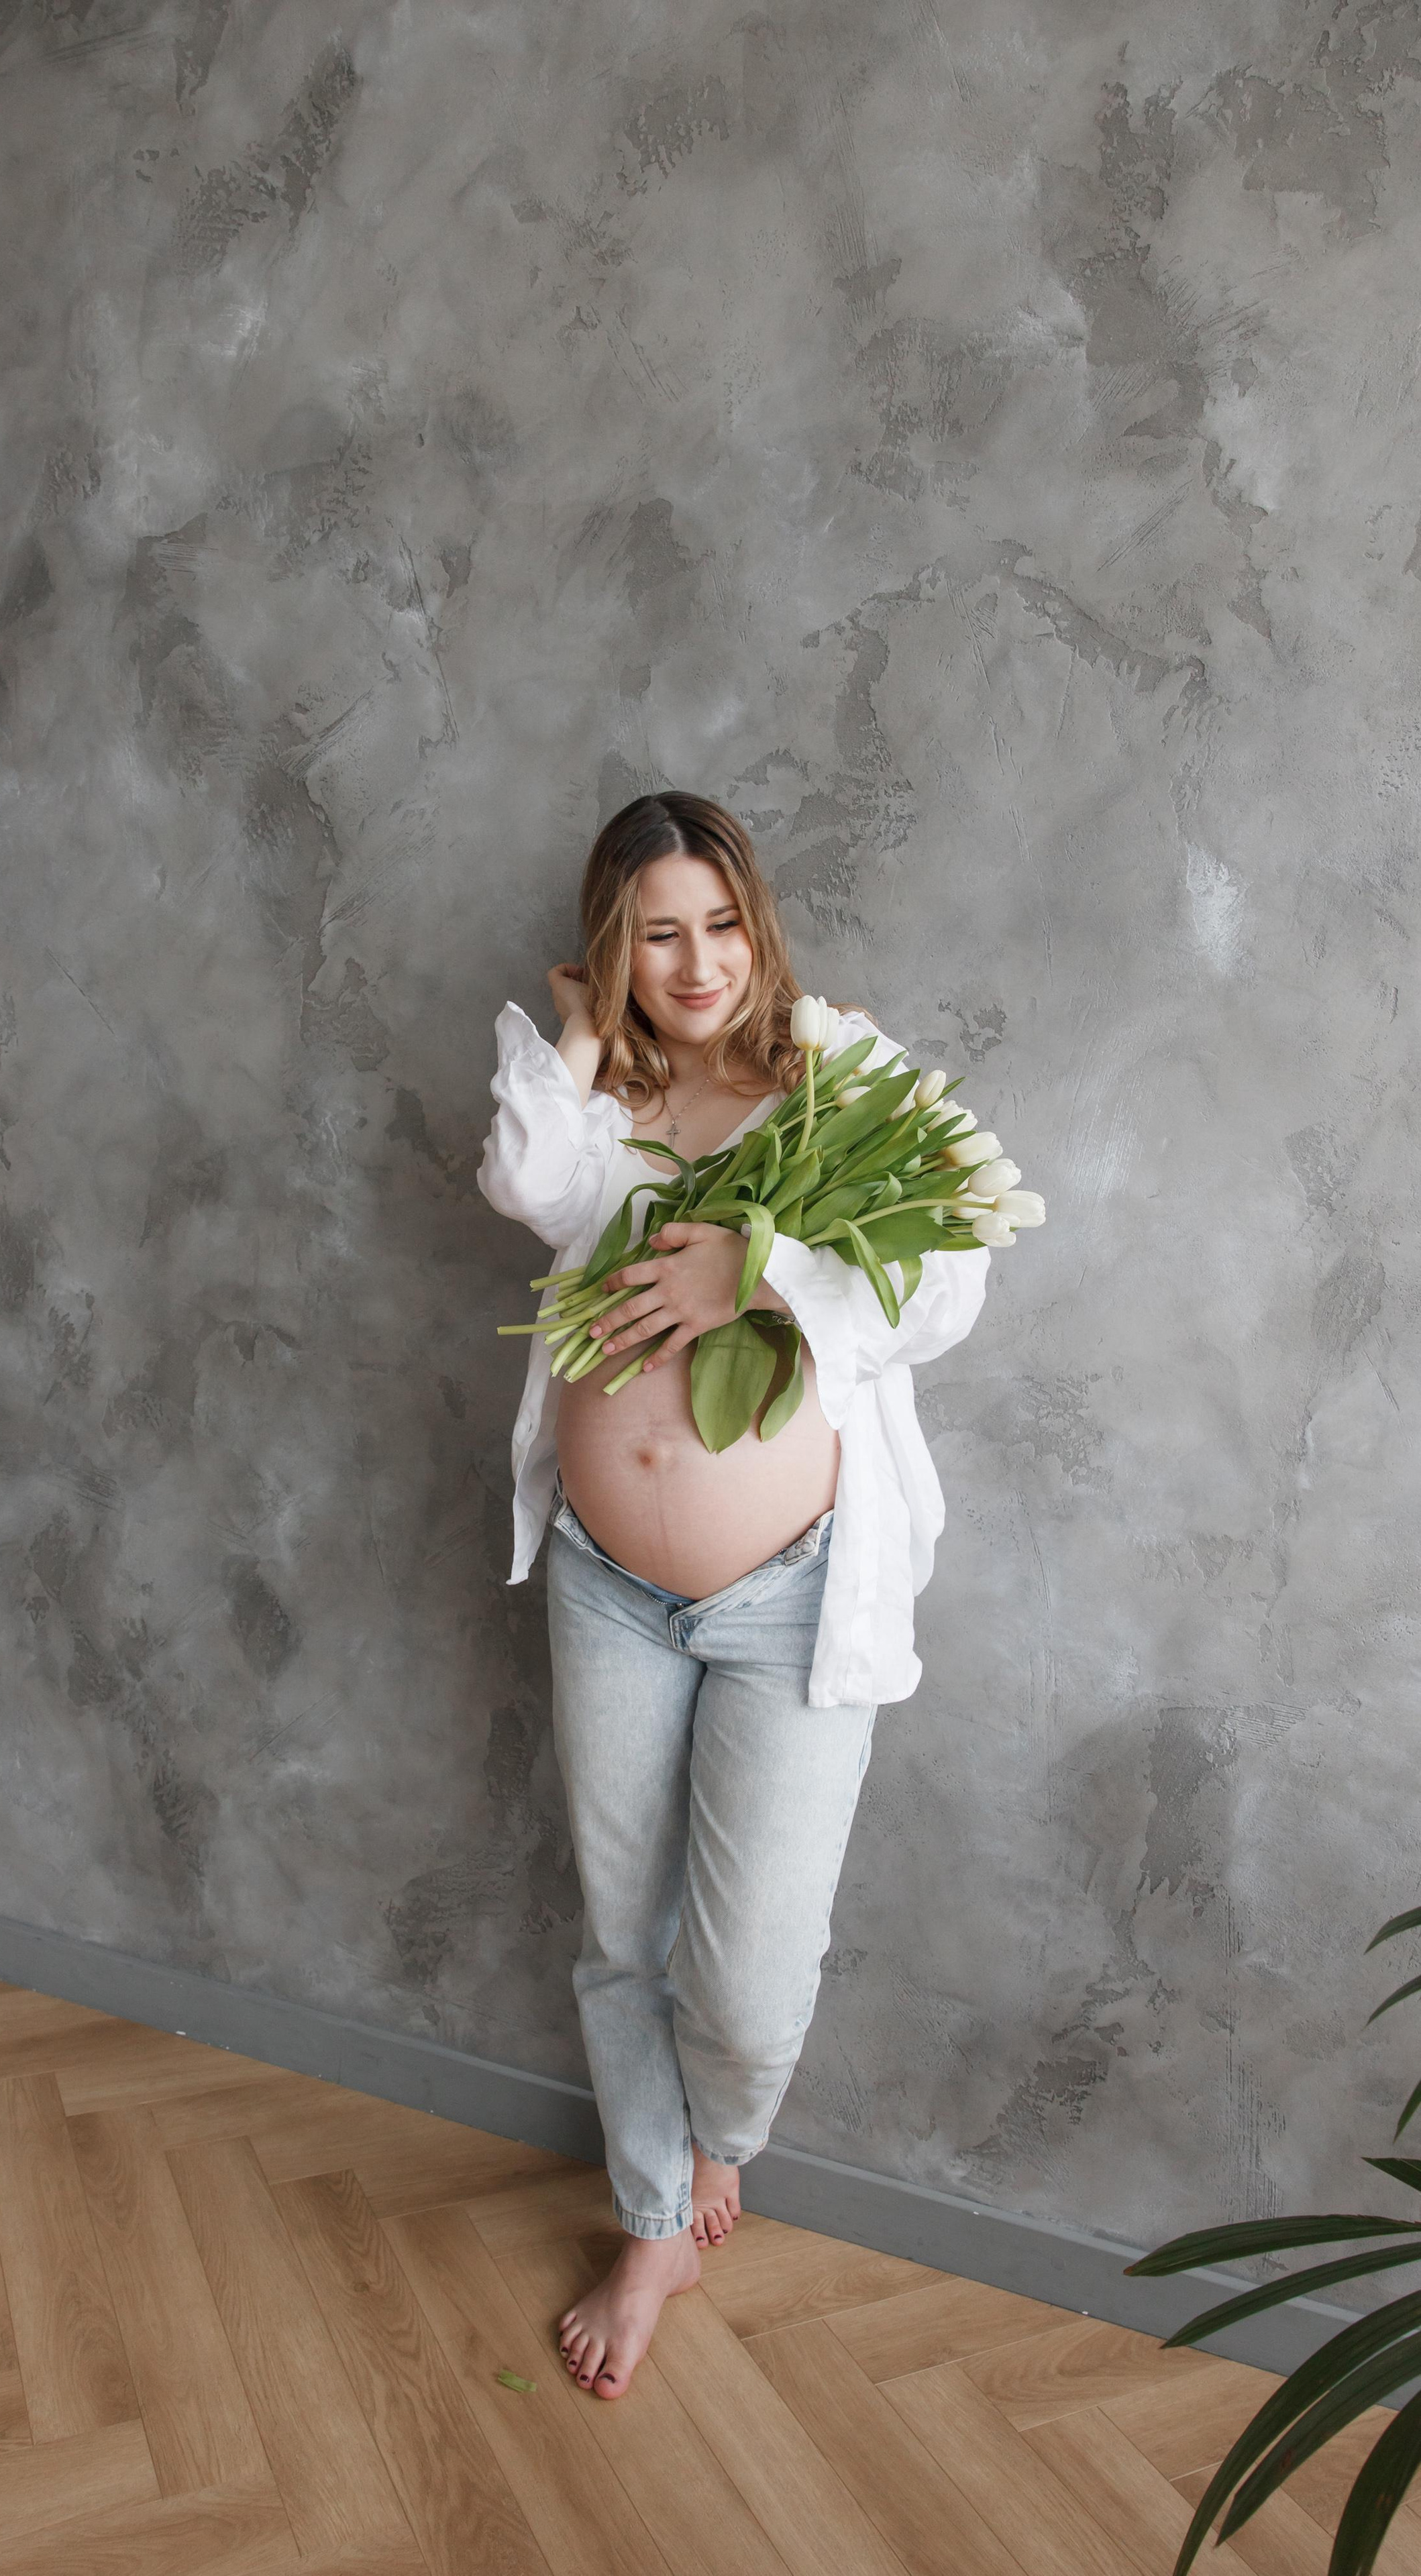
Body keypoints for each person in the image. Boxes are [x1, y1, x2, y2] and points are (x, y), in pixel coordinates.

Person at [476, 790, 989, 2400]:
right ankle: (651, 2217)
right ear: (610, 952)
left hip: (785, 1599)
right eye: (651, 933)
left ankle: (720, 2134)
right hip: (604, 1582)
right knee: (620, 1935)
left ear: (757, 928)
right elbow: (518, 1180)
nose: (693, 963)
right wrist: (570, 1035)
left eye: (717, 925)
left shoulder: (839, 1076)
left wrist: (747, 1271)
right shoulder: (611, 1105)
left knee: (750, 1979)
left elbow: (952, 1277)